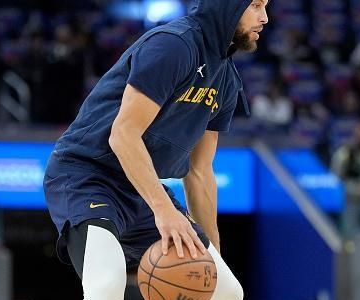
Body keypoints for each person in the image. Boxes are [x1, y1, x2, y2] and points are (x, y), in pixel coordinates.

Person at [43, 0, 269, 299]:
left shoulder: (226, 79)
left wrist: (212, 254)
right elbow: (123, 135)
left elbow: (200, 172)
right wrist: (163, 211)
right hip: (89, 175)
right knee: (106, 284)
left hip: (143, 185)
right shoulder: (174, 46)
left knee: (225, 291)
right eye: (255, 5)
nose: (264, 18)